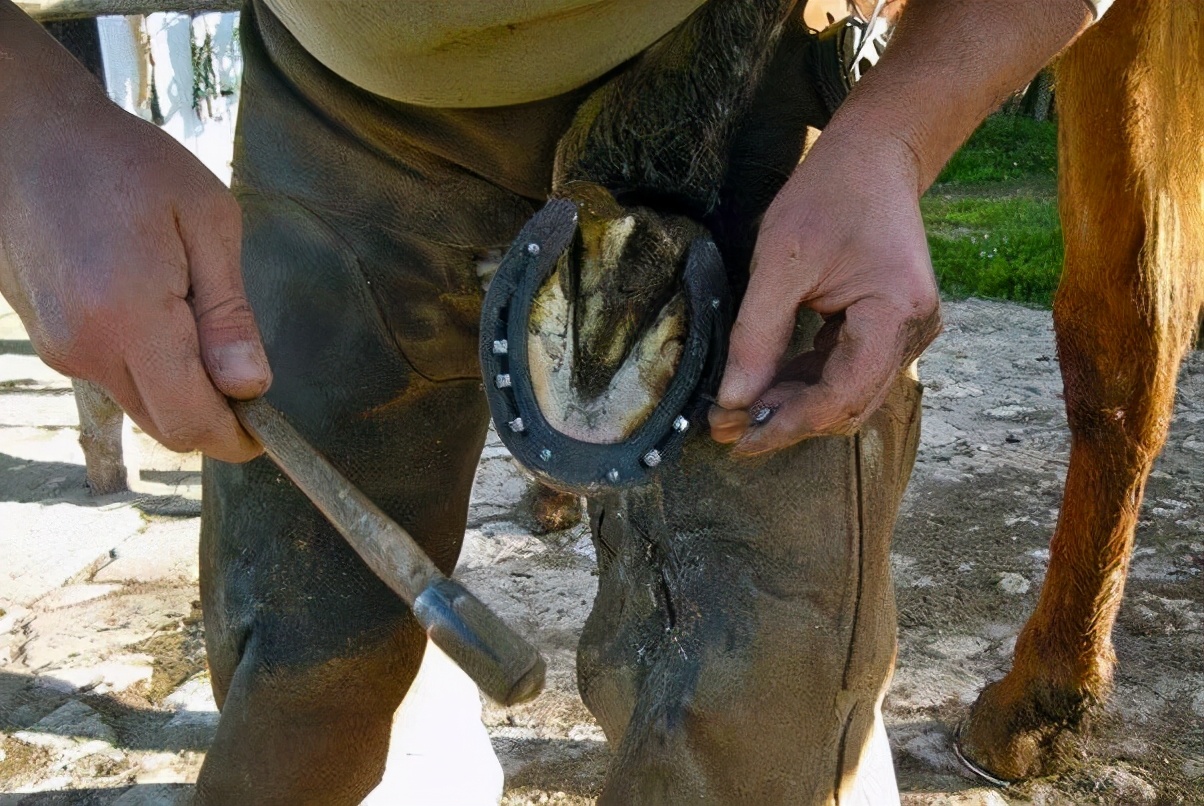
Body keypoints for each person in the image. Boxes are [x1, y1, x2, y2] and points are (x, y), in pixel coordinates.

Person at [0, 0, 1109, 802]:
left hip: (740, 72)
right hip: (344, 109)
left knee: (755, 705)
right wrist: (28, 122)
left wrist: (894, 134)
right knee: (294, 663)